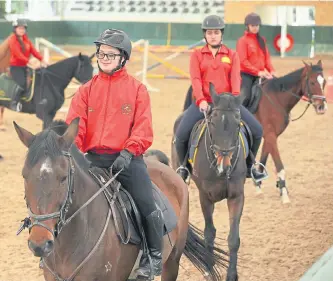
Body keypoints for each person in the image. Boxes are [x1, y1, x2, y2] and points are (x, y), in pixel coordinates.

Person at [65, 28, 163, 279]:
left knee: (146, 203)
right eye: (101, 53)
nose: (104, 57)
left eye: (110, 54)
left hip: (127, 160)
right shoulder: (85, 90)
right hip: (92, 159)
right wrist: (73, 149)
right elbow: (76, 125)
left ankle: (153, 257)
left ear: (123, 58)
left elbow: (143, 127)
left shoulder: (138, 90)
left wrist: (129, 152)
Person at [175, 15, 268, 183]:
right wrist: (201, 100)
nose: (213, 35)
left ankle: (250, 166)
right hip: (204, 103)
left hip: (228, 104)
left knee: (257, 130)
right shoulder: (197, 55)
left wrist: (233, 99)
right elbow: (195, 79)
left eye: (216, 32)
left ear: (221, 34)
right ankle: (184, 168)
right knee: (181, 134)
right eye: (209, 33)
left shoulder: (231, 55)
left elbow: (235, 79)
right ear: (205, 35)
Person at [8, 19, 48, 112]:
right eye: (19, 28)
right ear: (15, 29)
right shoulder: (12, 40)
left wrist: (42, 60)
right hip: (16, 67)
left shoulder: (26, 39)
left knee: (37, 79)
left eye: (23, 28)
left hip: (25, 66)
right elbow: (17, 54)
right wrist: (29, 62)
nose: (22, 30)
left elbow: (33, 51)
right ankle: (14, 103)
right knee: (22, 84)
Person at [236, 12, 275, 107]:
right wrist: (258, 72)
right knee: (246, 96)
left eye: (257, 25)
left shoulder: (262, 40)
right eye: (252, 25)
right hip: (246, 75)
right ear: (247, 26)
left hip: (261, 74)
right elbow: (243, 61)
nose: (255, 27)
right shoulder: (242, 41)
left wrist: (271, 71)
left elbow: (267, 59)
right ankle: (238, 116)